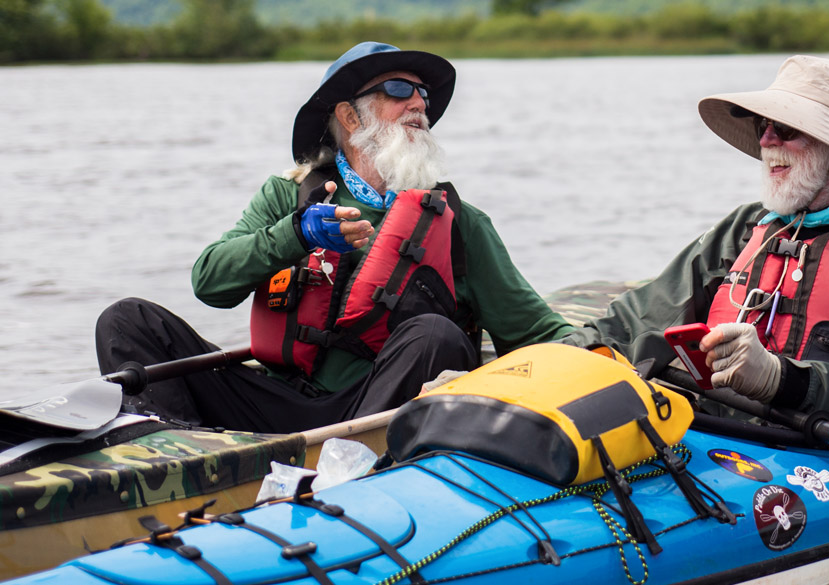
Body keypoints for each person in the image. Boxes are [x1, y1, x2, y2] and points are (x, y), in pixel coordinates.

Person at [96, 42, 574, 432]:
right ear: (350, 117)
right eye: (399, 89)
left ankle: (351, 467)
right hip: (275, 401)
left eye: (423, 94)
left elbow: (535, 333)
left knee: (435, 335)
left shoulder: (460, 223)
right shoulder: (288, 195)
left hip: (375, 412)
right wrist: (295, 234)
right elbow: (210, 283)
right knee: (126, 320)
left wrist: (599, 354)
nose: (419, 103)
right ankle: (180, 458)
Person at [562, 55, 829, 422]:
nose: (766, 141)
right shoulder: (747, 227)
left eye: (785, 128)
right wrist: (562, 355)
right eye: (764, 126)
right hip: (714, 436)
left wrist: (780, 379)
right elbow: (633, 322)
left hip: (816, 455)